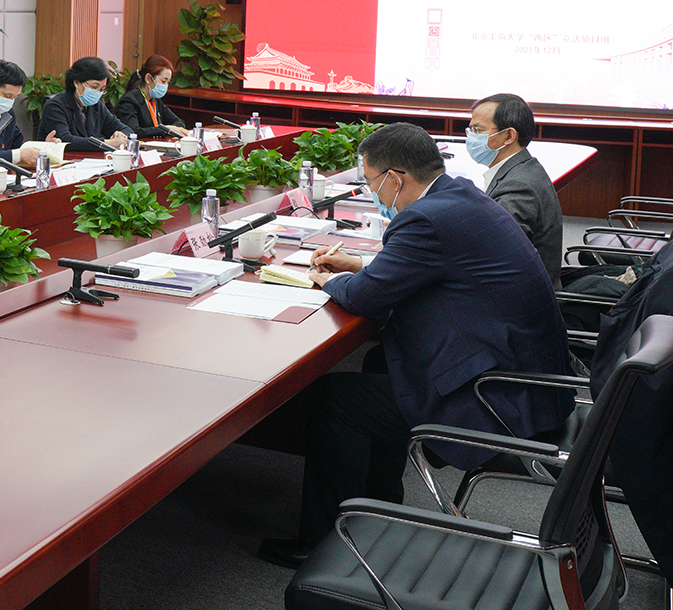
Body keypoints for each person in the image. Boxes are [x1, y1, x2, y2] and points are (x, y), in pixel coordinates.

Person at [257, 123, 573, 568]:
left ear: (395, 178)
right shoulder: (458, 196)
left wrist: (329, 280)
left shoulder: (423, 218)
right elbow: (430, 264)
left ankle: (323, 543)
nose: (372, 192)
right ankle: (379, 505)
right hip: (530, 375)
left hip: (497, 396)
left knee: (336, 399)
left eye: (371, 182)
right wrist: (361, 263)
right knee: (381, 359)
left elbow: (366, 298)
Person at [468, 92, 564, 287]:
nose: (471, 137)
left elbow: (495, 256)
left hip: (523, 296)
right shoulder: (524, 167)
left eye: (478, 130)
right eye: (470, 129)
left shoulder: (518, 187)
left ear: (509, 136)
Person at [38, 56, 134, 151]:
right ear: (76, 82)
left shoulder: (96, 106)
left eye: (102, 89)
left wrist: (121, 135)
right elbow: (65, 140)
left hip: (89, 158)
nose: (97, 93)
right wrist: (107, 143)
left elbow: (127, 130)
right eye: (94, 87)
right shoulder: (55, 106)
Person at [113, 54, 188, 139]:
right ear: (148, 78)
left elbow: (178, 122)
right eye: (163, 81)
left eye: (168, 82)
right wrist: (165, 130)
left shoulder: (155, 100)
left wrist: (172, 129)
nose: (166, 86)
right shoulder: (129, 101)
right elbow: (133, 131)